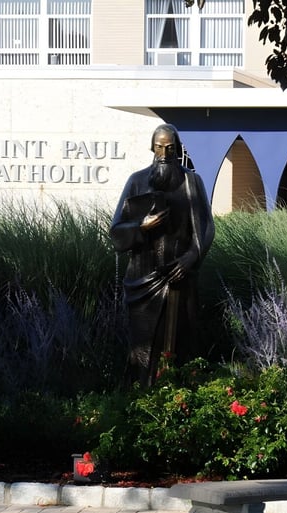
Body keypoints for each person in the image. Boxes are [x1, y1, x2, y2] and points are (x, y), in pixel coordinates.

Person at [110, 124, 215, 386]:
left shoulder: (192, 182)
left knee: (183, 343)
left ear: (178, 150)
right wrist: (142, 226)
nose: (164, 154)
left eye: (170, 148)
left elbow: (206, 226)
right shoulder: (137, 180)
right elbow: (116, 230)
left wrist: (192, 257)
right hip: (143, 278)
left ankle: (181, 399)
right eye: (159, 147)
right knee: (144, 345)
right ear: (152, 148)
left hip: (181, 275)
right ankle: (142, 395)